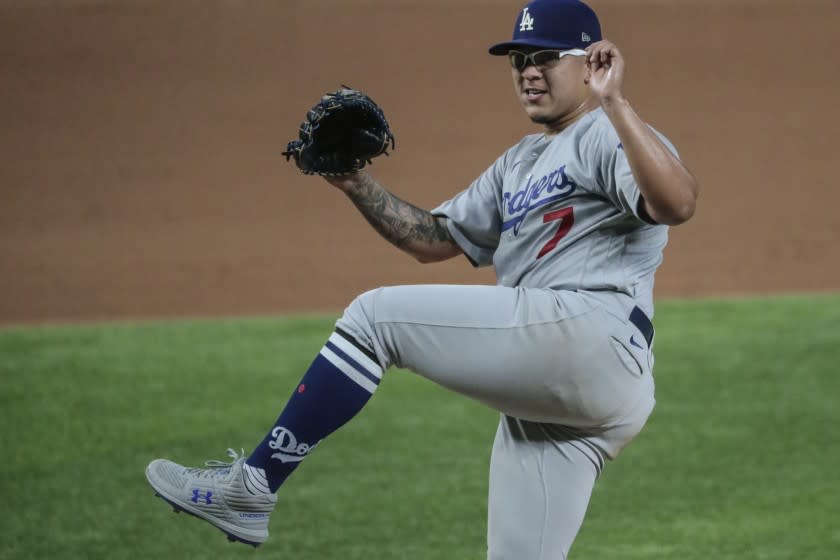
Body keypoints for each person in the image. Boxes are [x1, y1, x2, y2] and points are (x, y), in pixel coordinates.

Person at [145, 0, 699, 557]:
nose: (528, 70)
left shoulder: (605, 134)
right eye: (518, 60)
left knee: (373, 318)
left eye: (546, 57)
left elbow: (677, 203)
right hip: (575, 384)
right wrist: (354, 181)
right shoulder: (521, 161)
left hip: (593, 336)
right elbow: (433, 239)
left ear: (590, 65)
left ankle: (253, 486)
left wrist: (616, 102)